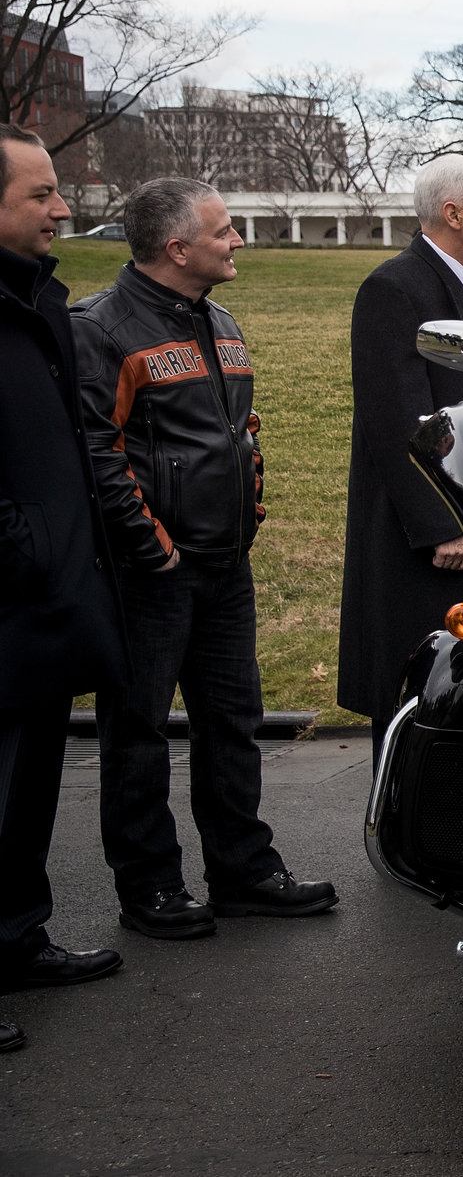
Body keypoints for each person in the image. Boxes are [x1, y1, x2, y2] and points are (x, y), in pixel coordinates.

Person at [74, 177, 335, 938]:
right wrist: (150, 545)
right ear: (176, 246)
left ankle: (244, 869)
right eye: (225, 231)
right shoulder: (102, 327)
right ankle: (150, 885)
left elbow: (237, 426)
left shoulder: (219, 319)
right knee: (140, 730)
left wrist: (248, 503)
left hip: (225, 563)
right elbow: (99, 451)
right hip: (151, 570)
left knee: (233, 719)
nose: (239, 241)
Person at [0, 125, 124, 1049]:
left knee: (29, 773)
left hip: (44, 595)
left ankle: (17, 935)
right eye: (41, 194)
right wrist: (23, 545)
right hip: (11, 585)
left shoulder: (39, 302)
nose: (63, 208)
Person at [339, 155, 463, 757]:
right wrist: (441, 525)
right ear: (452, 213)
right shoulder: (395, 288)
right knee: (419, 690)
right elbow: (395, 420)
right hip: (427, 538)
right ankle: (408, 833)